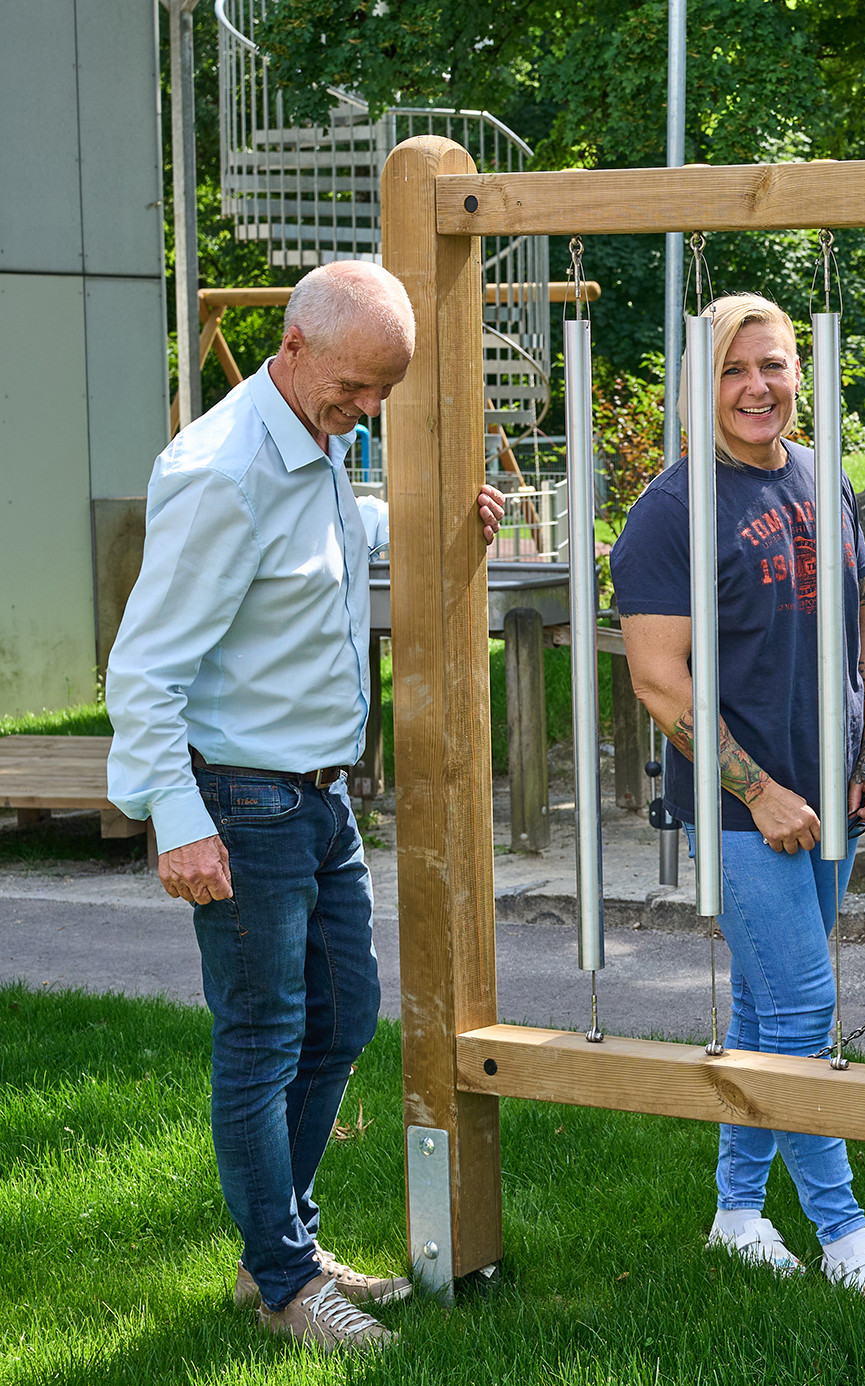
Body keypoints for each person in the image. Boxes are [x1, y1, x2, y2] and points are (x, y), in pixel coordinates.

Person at [106, 261, 507, 1351]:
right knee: (264, 1033)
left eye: (384, 393)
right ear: (292, 348)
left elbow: (325, 550)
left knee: (341, 1017)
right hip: (241, 799)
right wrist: (176, 816)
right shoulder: (223, 471)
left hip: (320, 799)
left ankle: (275, 1245)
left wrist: (428, 519)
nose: (368, 412)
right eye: (357, 389)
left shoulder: (311, 442)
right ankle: (284, 1283)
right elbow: (144, 672)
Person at [611, 292, 865, 1300]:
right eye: (735, 370)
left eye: (774, 366)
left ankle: (737, 1213)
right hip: (746, 810)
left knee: (766, 1012)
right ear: (700, 387)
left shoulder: (823, 479)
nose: (758, 388)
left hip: (834, 795)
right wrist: (762, 792)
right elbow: (660, 681)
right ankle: (844, 1235)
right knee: (806, 1005)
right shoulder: (670, 513)